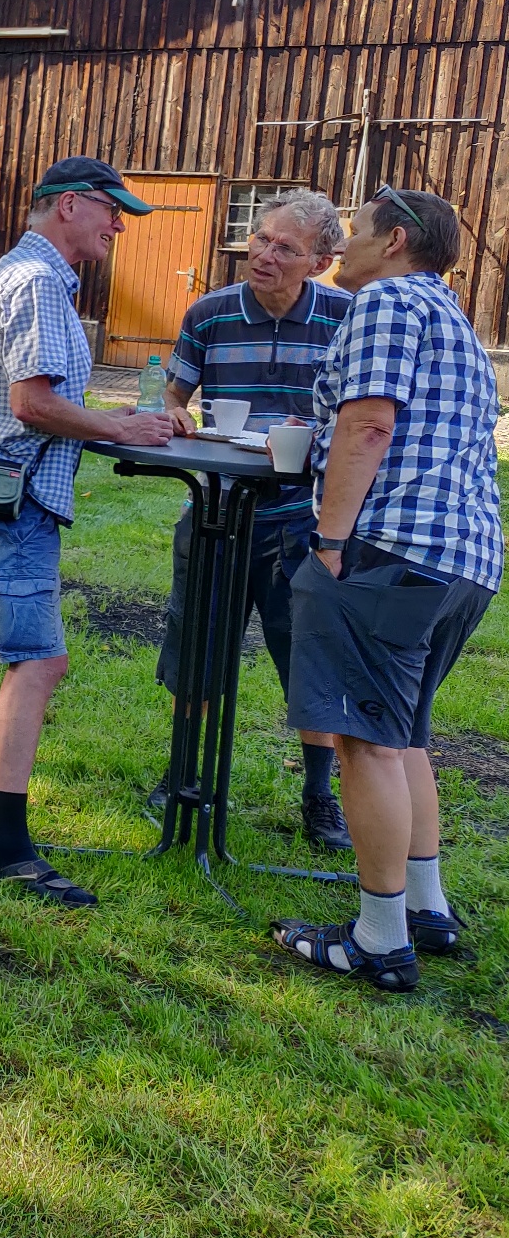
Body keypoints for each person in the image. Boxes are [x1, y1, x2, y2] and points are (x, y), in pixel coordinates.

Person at [0, 156, 173, 909]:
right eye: (109, 210)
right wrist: (122, 426)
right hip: (13, 504)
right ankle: (8, 843)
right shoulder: (37, 285)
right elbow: (35, 405)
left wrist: (116, 423)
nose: (117, 225)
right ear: (66, 206)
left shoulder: (10, 272)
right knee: (41, 663)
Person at [274, 188, 499, 994]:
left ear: (396, 240)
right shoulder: (454, 319)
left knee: (363, 740)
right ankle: (427, 910)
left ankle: (378, 939)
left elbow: (369, 423)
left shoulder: (386, 304)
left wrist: (330, 542)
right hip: (462, 562)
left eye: (358, 232)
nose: (343, 247)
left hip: (389, 551)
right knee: (402, 735)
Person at [153, 188, 352, 850]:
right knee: (198, 649)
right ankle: (184, 773)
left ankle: (319, 796)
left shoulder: (346, 318)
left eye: (284, 248)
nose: (263, 254)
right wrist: (176, 412)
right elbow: (175, 393)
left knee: (311, 661)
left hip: (305, 520)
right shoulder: (209, 313)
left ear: (321, 261)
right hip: (214, 509)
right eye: (261, 238)